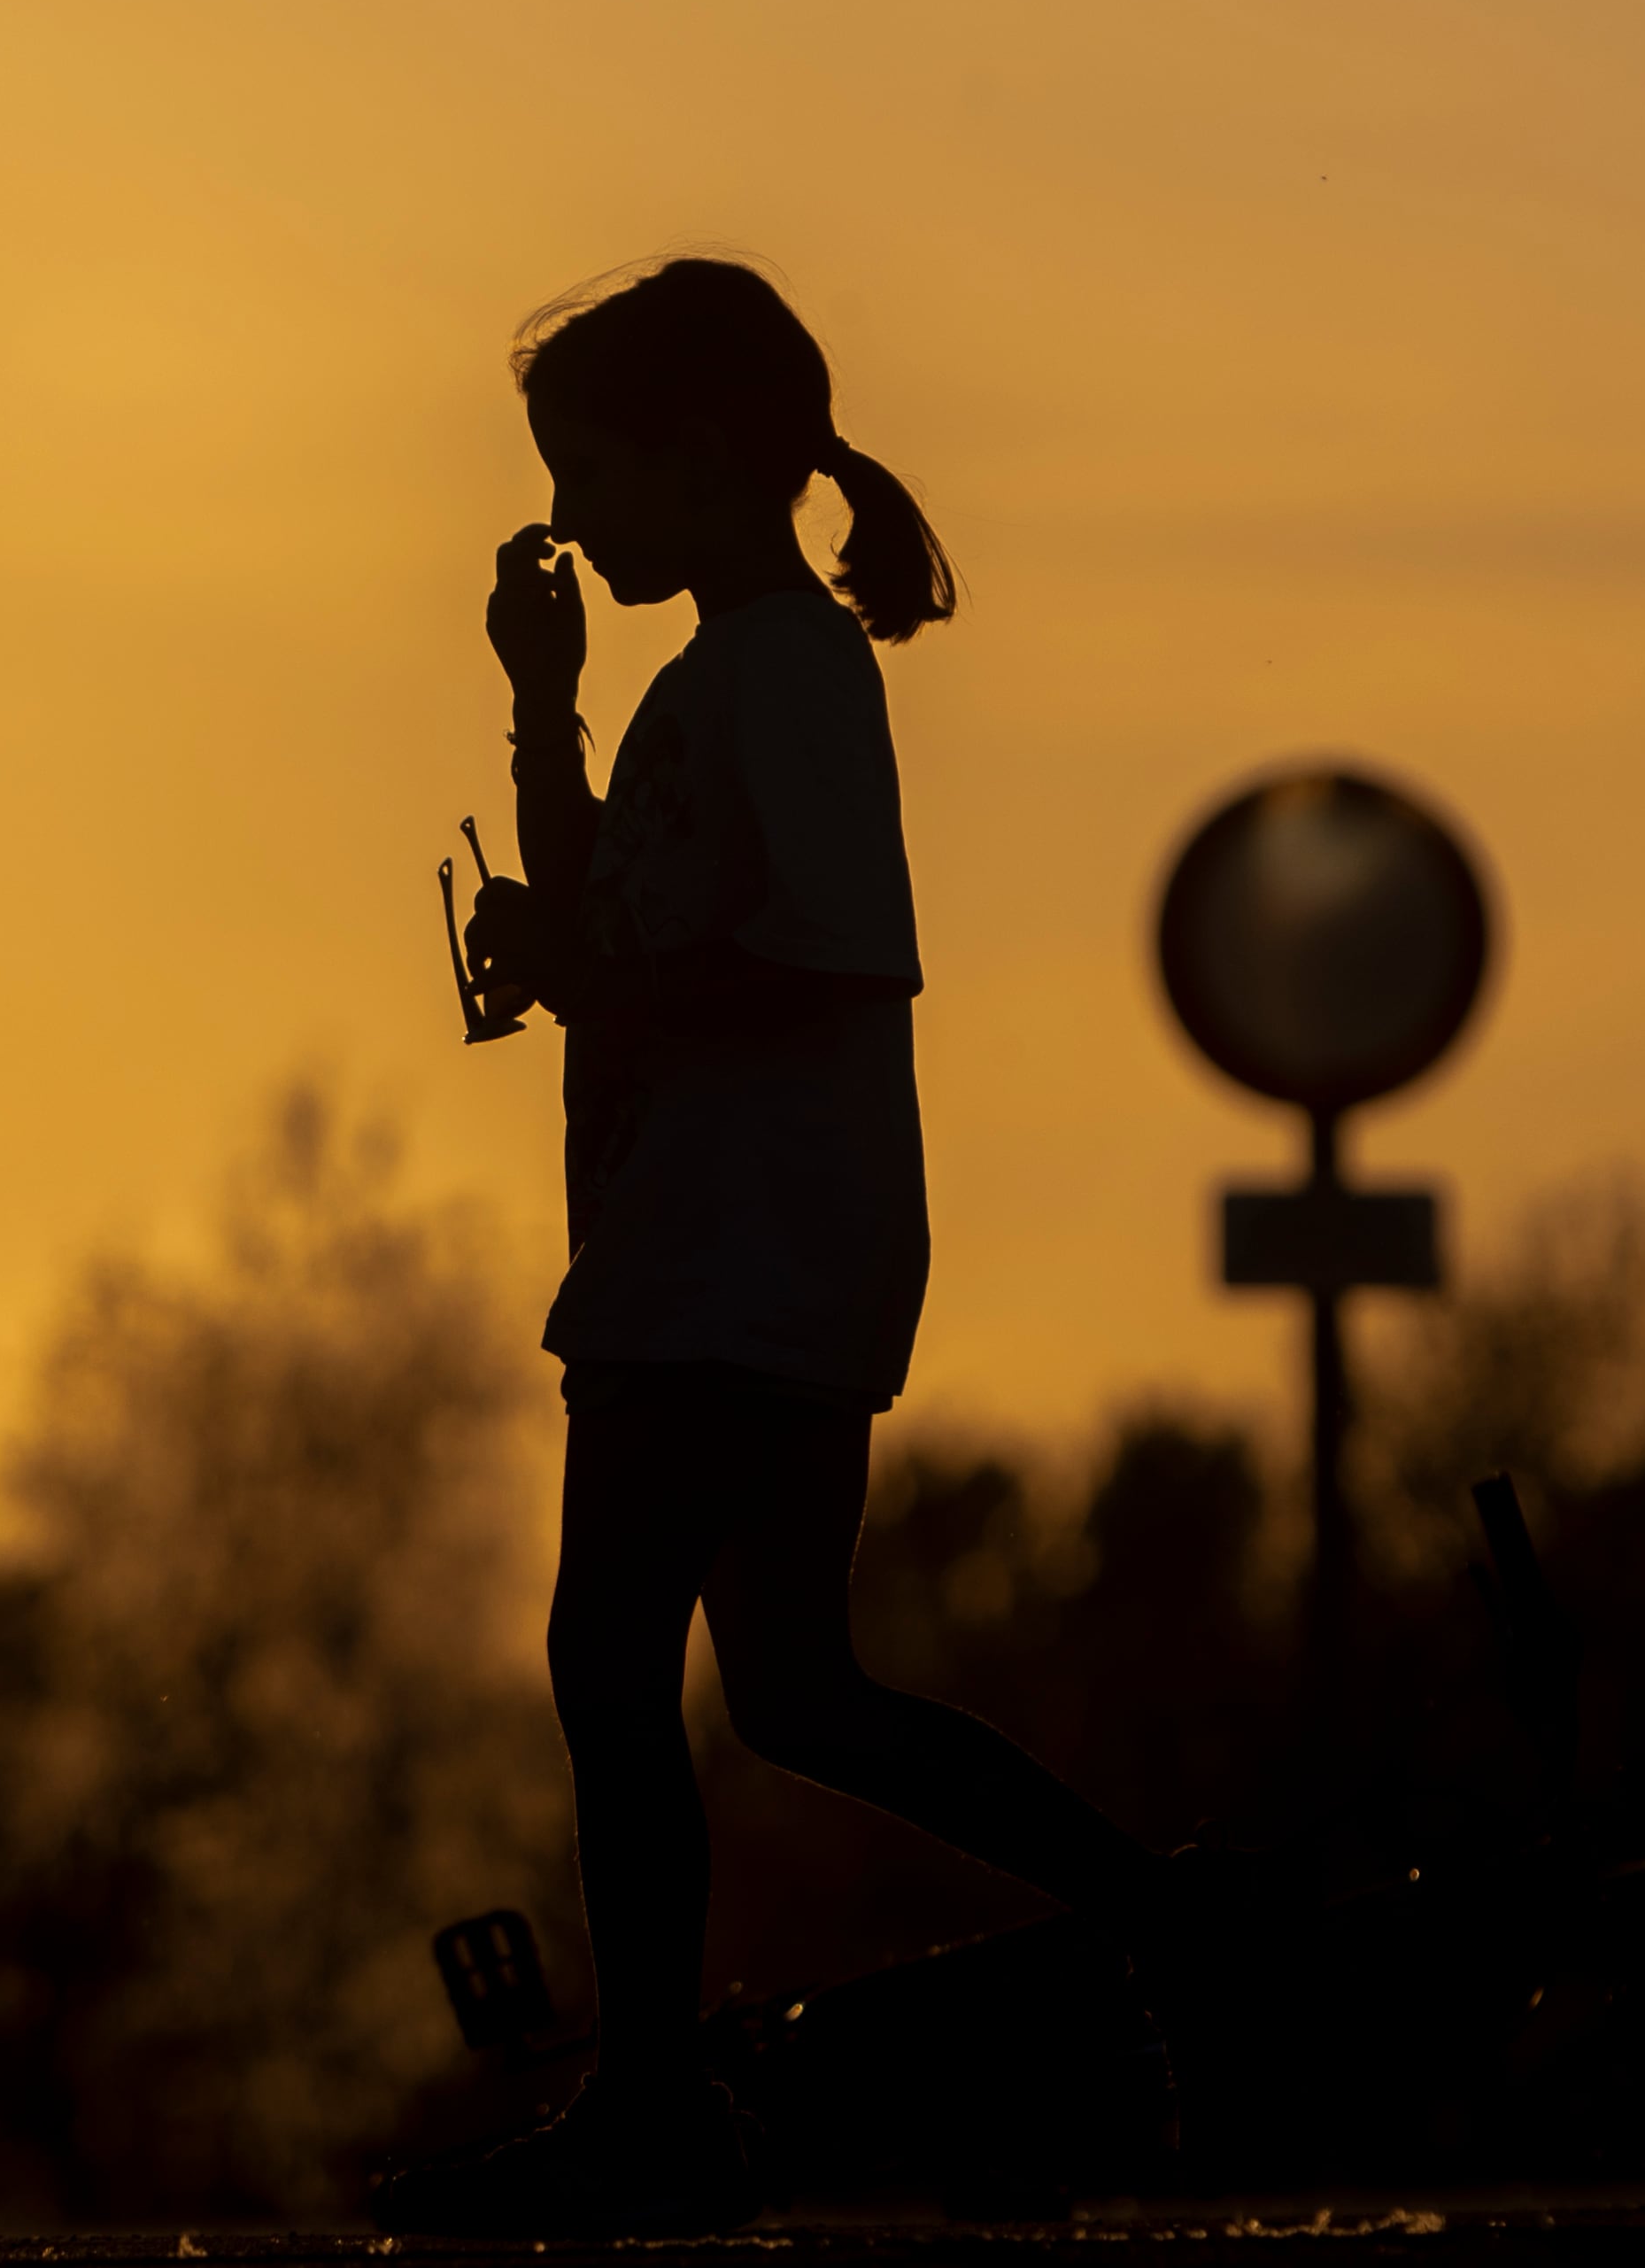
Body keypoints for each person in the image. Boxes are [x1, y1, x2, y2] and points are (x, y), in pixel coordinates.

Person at [377, 259, 1209, 2234]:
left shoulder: (790, 677)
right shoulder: (708, 678)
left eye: (591, 474)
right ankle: (1167, 1914)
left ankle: (654, 2113)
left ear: (699, 459)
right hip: (738, 1247)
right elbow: (619, 930)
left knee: (610, 1664)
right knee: (796, 1692)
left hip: (734, 1258)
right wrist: (540, 704)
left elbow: (822, 955)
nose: (571, 518)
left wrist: (615, 973)